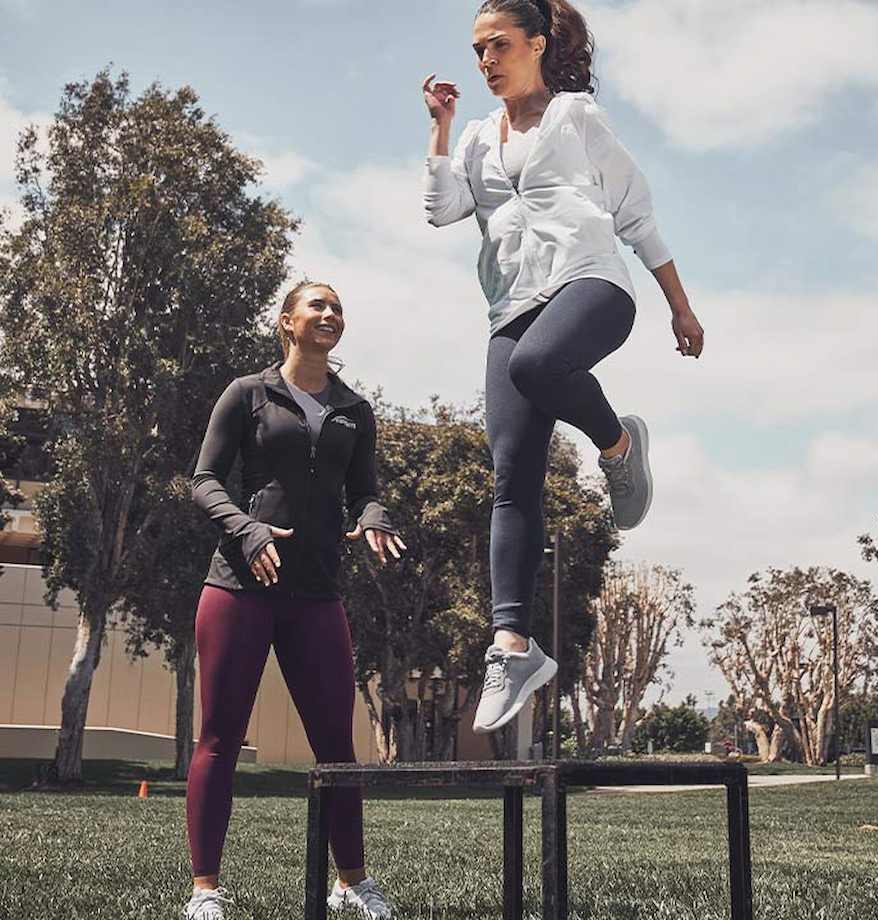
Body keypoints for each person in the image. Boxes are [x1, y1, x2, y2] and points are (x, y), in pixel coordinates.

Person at [421, 0, 704, 735]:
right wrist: (442, 129)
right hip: (509, 308)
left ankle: (617, 444)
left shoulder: (576, 118)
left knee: (540, 365)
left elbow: (636, 211)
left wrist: (680, 305)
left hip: (591, 285)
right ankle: (512, 646)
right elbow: (442, 208)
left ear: (538, 44)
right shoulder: (480, 137)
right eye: (477, 49)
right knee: (509, 477)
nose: (485, 60)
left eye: (499, 45)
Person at [183, 280, 406, 920]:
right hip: (237, 587)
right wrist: (247, 528)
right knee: (220, 737)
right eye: (319, 306)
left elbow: (364, 489)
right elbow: (203, 480)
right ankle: (204, 890)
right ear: (287, 321)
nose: (332, 314)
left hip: (316, 592)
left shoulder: (354, 409)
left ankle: (353, 883)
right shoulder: (248, 394)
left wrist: (374, 517)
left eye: (338, 307)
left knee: (336, 741)